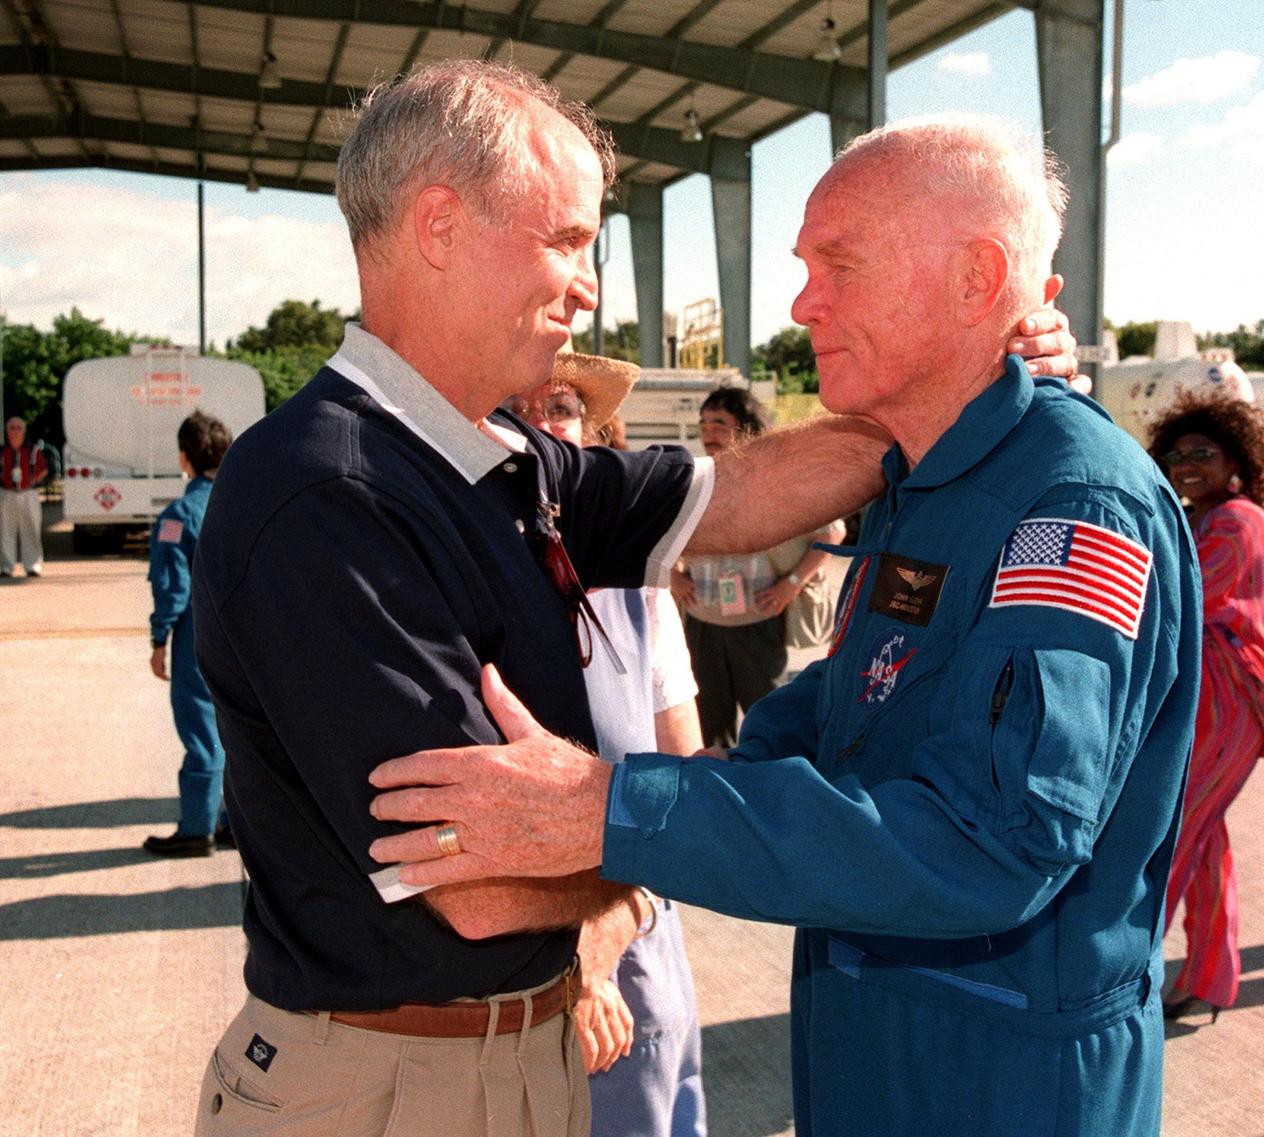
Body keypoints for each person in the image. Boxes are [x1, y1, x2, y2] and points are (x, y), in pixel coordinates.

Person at [192, 60, 1075, 1137]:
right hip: (388, 1084)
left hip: (514, 1053)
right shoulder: (326, 495)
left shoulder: (497, 456)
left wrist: (962, 376)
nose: (587, 285)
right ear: (437, 223)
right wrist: (644, 851)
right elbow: (477, 884)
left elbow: (741, 490)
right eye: (565, 239)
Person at [366, 114, 1199, 1137]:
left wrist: (616, 809)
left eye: (838, 268)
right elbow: (861, 696)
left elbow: (991, 845)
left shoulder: (1069, 507)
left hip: (997, 1078)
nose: (802, 303)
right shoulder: (927, 483)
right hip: (878, 1039)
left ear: (978, 281)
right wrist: (674, 786)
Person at [507, 352, 707, 1137]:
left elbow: (685, 783)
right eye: (511, 403)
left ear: (591, 433)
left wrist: (609, 928)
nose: (538, 425)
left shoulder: (639, 587)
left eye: (559, 405)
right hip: (493, 966)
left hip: (630, 939)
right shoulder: (431, 576)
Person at [1148, 393, 1264, 1022]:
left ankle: (1125, 972)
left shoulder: (1238, 520)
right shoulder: (1200, 517)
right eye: (1176, 453)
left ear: (1235, 460)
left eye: (1203, 453)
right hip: (1203, 699)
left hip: (1228, 705)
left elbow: (1183, 600)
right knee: (1202, 838)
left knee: (1171, 835)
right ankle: (1210, 978)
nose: (1186, 463)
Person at [671, 387, 841, 746]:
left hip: (759, 625)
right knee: (709, 730)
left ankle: (769, 797)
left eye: (719, 423)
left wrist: (792, 583)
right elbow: (655, 536)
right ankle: (714, 798)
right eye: (704, 423)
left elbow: (832, 532)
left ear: (746, 428)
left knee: (770, 727)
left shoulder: (777, 484)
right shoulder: (692, 480)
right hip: (703, 627)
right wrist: (672, 575)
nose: (708, 432)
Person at [143, 410, 234, 858]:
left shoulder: (180, 515)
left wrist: (159, 639)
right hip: (246, 640)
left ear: (185, 458)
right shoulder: (246, 503)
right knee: (238, 729)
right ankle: (231, 820)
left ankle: (198, 828)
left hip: (200, 639)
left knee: (201, 731)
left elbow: (171, 586)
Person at [0, 416, 47, 577]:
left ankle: (33, 565)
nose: (14, 432)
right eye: (11, 428)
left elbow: (43, 469)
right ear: (7, 432)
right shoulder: (1, 451)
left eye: (18, 428)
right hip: (6, 494)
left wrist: (32, 479)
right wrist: (2, 480)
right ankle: (6, 567)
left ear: (24, 431)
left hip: (28, 494)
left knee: (31, 529)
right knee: (5, 531)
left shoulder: (33, 450)